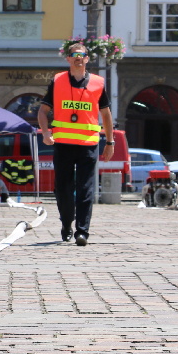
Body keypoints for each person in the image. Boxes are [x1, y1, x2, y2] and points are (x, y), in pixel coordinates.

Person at [37, 42, 115, 246]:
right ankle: (66, 224)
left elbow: (106, 115)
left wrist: (110, 141)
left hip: (88, 145)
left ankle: (82, 231)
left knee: (85, 189)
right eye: (74, 55)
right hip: (62, 144)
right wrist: (45, 133)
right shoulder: (58, 81)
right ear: (68, 59)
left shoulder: (98, 83)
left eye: (82, 54)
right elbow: (43, 111)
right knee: (62, 189)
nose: (78, 57)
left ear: (87, 59)